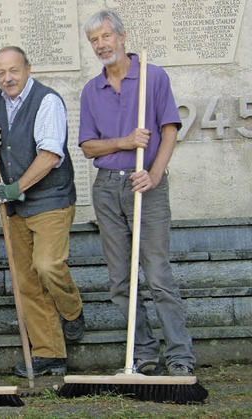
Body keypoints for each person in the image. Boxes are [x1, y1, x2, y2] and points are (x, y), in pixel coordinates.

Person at [79, 10, 196, 376]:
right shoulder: (90, 90)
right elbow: (87, 147)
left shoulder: (152, 76)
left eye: (106, 36)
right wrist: (124, 141)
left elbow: (170, 128)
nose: (101, 45)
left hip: (147, 184)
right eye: (95, 40)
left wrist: (155, 173)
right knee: (120, 281)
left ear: (122, 36)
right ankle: (144, 353)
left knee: (158, 274)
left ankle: (180, 357)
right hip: (108, 189)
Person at [0, 46, 85, 378]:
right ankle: (49, 353)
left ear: (28, 69)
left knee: (47, 265)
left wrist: (13, 188)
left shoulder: (47, 101)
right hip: (17, 210)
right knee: (26, 281)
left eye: (13, 70)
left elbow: (50, 154)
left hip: (50, 199)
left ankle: (71, 311)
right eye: (1, 72)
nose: (7, 78)